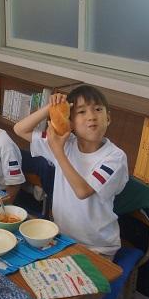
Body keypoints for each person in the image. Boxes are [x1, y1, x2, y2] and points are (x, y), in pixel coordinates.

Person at [14, 85, 129, 259]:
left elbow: (82, 191)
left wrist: (58, 151)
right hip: (61, 238)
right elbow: (20, 129)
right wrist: (51, 107)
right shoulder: (66, 142)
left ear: (108, 118)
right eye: (82, 112)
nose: (91, 116)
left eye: (98, 109)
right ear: (71, 122)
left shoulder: (115, 157)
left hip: (96, 248)